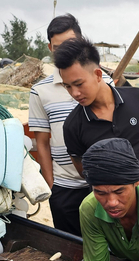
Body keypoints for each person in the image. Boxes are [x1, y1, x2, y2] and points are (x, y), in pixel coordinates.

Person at [28, 14, 113, 236]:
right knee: (71, 249)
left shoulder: (104, 82)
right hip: (65, 187)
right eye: (58, 47)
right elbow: (42, 142)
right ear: (49, 48)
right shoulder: (40, 90)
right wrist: (51, 184)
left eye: (70, 44)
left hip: (107, 184)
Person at [56, 37, 139, 186]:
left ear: (98, 75)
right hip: (111, 206)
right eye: (68, 86)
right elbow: (84, 171)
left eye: (79, 84)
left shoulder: (138, 98)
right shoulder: (72, 126)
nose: (74, 93)